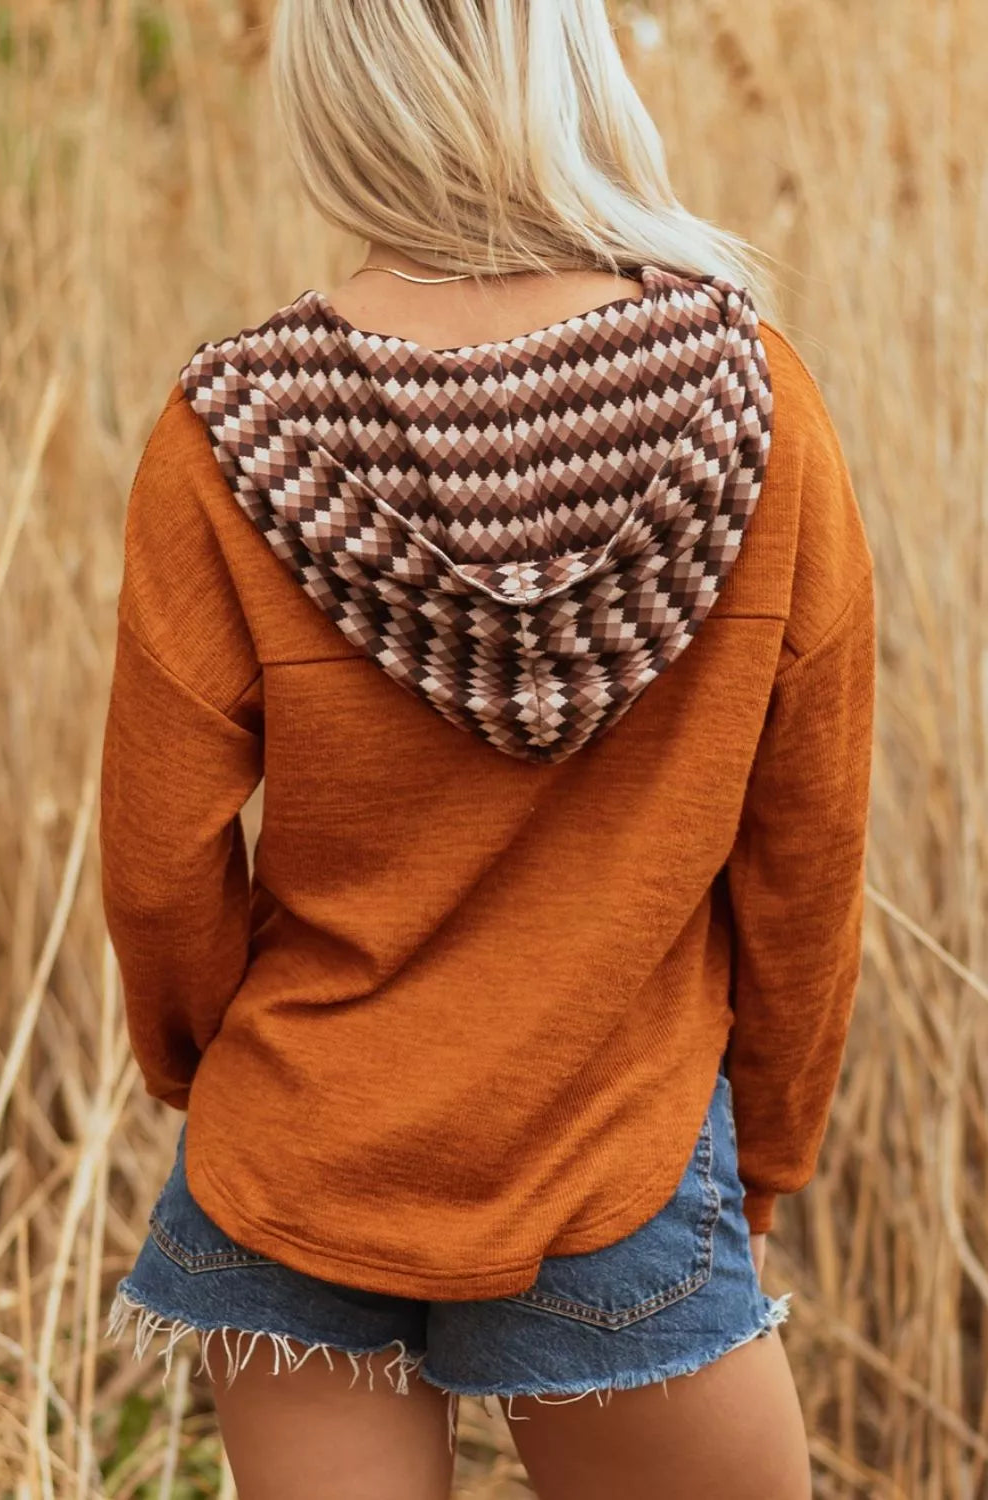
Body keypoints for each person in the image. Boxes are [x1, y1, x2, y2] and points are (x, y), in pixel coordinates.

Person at [100, 2, 876, 1497]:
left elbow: (156, 859)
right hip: (618, 1159)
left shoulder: (227, 435)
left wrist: (217, 1080)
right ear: (566, 66)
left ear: (333, 98)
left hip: (302, 1156)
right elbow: (809, 849)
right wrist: (765, 1147)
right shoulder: (755, 407)